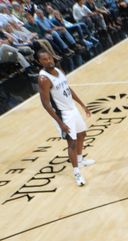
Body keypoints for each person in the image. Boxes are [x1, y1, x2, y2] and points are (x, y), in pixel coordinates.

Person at [36, 49, 94, 186]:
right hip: (63, 113)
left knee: (82, 134)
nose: (48, 61)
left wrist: (82, 105)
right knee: (71, 143)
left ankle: (80, 160)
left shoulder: (58, 69)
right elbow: (45, 104)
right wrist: (60, 123)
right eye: (44, 59)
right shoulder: (43, 79)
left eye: (49, 58)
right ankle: (77, 173)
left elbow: (67, 89)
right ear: (39, 62)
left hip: (72, 108)